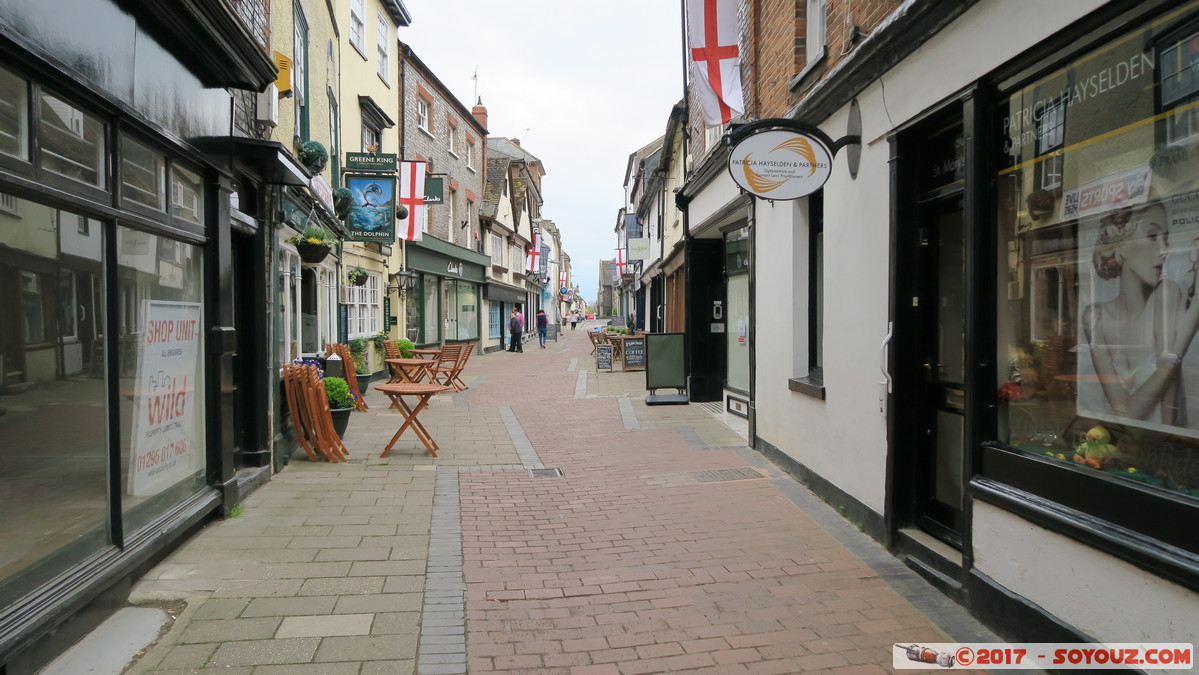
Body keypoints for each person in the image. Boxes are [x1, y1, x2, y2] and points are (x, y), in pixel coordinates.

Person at [1084, 201, 1199, 425]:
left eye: (1165, 240)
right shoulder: (1094, 315)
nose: (1164, 251)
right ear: (1123, 246)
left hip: (1162, 455)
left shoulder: (1166, 295)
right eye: (1153, 236)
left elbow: (1169, 422)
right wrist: (1192, 318)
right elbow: (1123, 415)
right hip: (1121, 445)